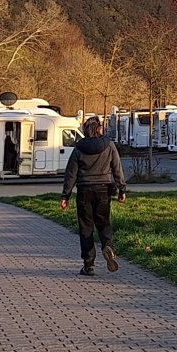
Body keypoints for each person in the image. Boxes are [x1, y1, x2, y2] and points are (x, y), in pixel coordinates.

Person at [60, 116, 128, 276]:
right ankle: (107, 246)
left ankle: (88, 264)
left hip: (84, 191)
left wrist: (65, 196)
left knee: (86, 228)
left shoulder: (79, 148)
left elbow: (71, 174)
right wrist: (122, 189)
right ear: (99, 129)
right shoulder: (109, 145)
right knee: (103, 222)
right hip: (103, 190)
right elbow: (117, 168)